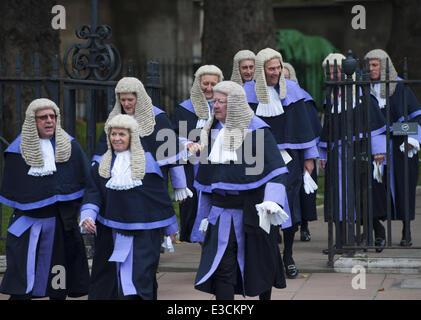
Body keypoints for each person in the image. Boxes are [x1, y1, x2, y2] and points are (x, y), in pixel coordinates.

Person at [192, 80, 291, 300]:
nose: (215, 106)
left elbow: (277, 171)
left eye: (221, 102)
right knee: (223, 270)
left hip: (255, 213)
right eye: (214, 101)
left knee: (261, 267)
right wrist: (203, 221)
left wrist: (272, 202)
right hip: (221, 215)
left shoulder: (257, 129)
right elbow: (207, 185)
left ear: (235, 103)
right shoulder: (211, 132)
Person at [0, 98, 90, 300]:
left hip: (61, 224)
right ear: (33, 121)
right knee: (23, 280)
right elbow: (15, 189)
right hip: (27, 225)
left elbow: (83, 181)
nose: (49, 121)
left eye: (53, 116)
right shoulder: (17, 151)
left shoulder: (71, 147)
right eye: (43, 117)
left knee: (59, 279)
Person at [80, 114, 178, 300]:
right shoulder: (102, 165)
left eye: (122, 134)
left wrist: (170, 228)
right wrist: (88, 216)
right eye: (113, 134)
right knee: (111, 283)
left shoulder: (148, 163)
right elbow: (93, 193)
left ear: (132, 136)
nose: (116, 138)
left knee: (141, 279)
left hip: (144, 233)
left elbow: (160, 198)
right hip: (111, 231)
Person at [242, 48, 321, 279]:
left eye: (278, 68)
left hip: (289, 158)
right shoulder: (246, 93)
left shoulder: (293, 91)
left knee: (289, 205)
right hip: (257, 158)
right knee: (258, 204)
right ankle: (265, 257)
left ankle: (288, 256)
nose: (276, 72)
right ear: (261, 70)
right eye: (271, 69)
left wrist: (309, 157)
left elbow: (303, 128)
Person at [93, 77, 192, 217]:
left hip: (153, 182)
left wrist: (180, 186)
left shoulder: (158, 118)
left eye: (130, 100)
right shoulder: (115, 120)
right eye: (122, 100)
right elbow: (103, 151)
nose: (126, 104)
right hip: (122, 180)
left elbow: (173, 156)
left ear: (139, 98)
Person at [318, 53, 386, 253]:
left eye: (336, 70)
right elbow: (328, 128)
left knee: (361, 196)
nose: (332, 75)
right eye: (329, 71)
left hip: (360, 150)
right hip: (337, 154)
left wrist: (379, 150)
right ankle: (341, 241)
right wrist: (323, 153)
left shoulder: (363, 94)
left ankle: (376, 233)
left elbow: (375, 124)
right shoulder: (330, 97)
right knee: (338, 196)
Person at [364, 49, 421, 247]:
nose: (370, 69)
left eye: (375, 65)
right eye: (369, 65)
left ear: (385, 66)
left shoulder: (400, 87)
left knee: (404, 186)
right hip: (373, 146)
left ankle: (406, 230)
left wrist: (395, 130)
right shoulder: (363, 88)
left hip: (400, 147)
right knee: (374, 188)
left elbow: (416, 118)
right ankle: (377, 230)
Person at [173, 65, 224, 243]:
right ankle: (193, 236)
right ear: (198, 84)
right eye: (205, 83)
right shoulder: (184, 109)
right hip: (192, 164)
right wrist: (187, 143)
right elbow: (174, 136)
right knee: (192, 201)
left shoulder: (225, 108)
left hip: (218, 164)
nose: (209, 88)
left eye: (213, 84)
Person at [283, 61, 320, 242]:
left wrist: (310, 154)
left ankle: (304, 225)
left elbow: (309, 127)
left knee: (303, 195)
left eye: (286, 76)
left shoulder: (303, 98)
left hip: (299, 151)